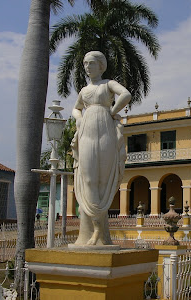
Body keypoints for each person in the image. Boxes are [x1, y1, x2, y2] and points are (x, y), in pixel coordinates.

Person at [71, 51, 131, 246]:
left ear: (101, 65)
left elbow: (126, 94)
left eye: (91, 63)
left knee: (102, 180)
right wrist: (79, 119)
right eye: (85, 64)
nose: (87, 67)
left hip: (105, 131)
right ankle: (95, 229)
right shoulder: (83, 90)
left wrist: (112, 111)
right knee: (88, 178)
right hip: (86, 132)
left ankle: (100, 231)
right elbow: (76, 108)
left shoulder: (108, 84)